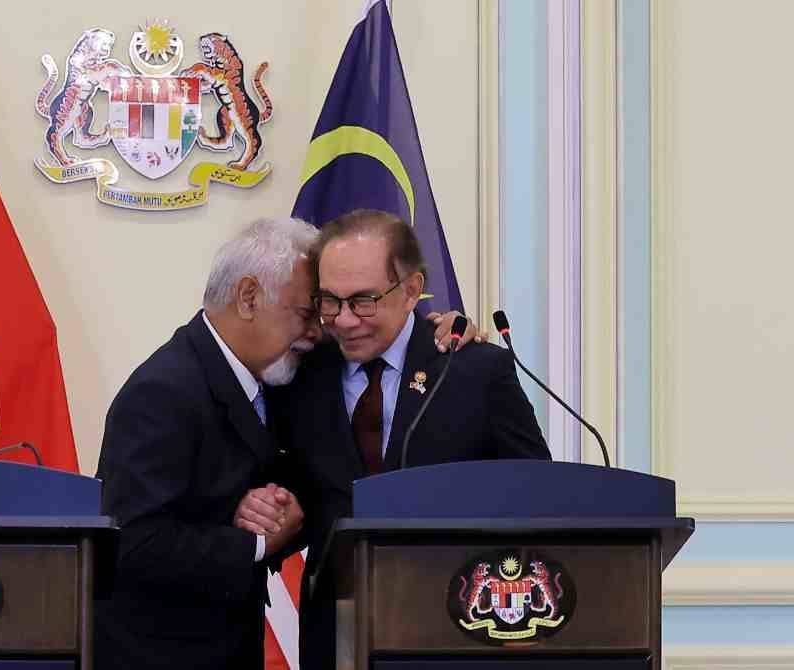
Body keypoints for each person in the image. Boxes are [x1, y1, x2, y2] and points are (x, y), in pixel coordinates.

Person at [235, 209, 551, 670]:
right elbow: (285, 483)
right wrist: (262, 509)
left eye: (363, 301)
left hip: (456, 627)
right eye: (329, 301)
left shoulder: (472, 370)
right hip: (336, 626)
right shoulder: (298, 373)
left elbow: (535, 491)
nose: (343, 321)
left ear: (409, 291)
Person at [93, 217, 318, 669]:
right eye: (306, 312)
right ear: (249, 297)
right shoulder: (163, 391)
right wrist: (256, 543)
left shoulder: (275, 378)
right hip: (156, 654)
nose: (317, 331)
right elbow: (131, 542)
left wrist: (284, 507)